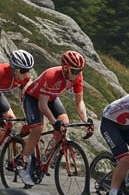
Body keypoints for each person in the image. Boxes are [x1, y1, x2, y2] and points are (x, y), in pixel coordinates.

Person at [20, 50, 93, 184]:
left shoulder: (78, 76)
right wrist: (54, 122)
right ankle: (24, 163)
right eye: (75, 71)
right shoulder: (51, 75)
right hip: (33, 98)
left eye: (80, 70)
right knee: (37, 130)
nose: (78, 74)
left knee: (64, 123)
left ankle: (45, 159)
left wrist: (86, 121)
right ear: (65, 68)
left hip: (51, 98)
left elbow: (79, 103)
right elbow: (42, 105)